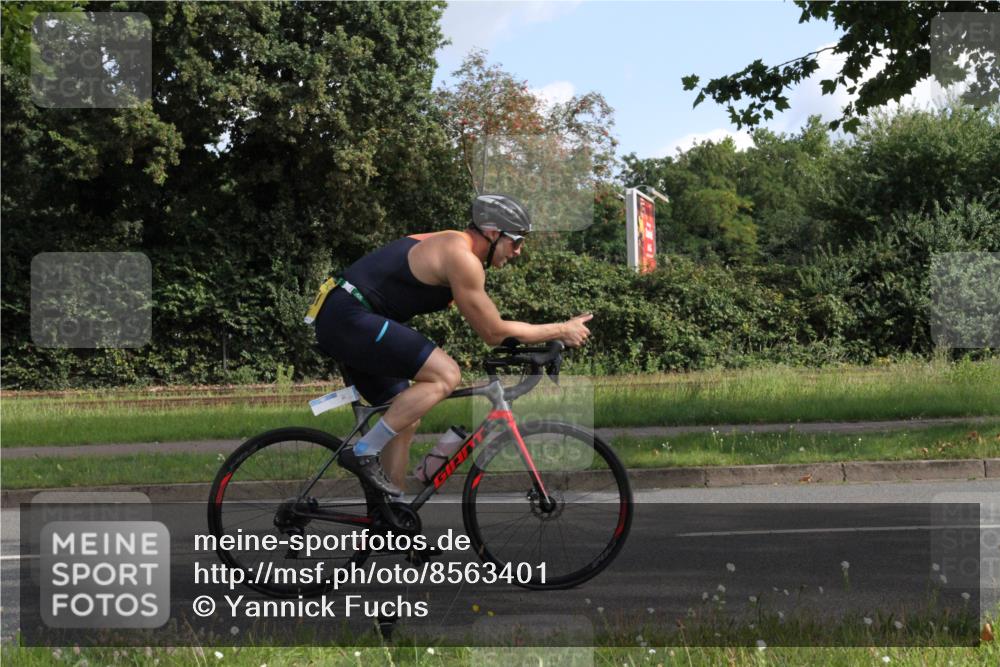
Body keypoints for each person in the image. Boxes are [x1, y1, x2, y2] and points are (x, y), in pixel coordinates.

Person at [308, 194, 593, 497]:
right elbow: (493, 332)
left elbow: (491, 323)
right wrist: (561, 329)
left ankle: (391, 520)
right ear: (493, 232)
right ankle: (363, 451)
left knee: (404, 417)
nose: (519, 251)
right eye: (517, 240)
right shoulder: (462, 258)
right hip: (350, 317)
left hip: (348, 317)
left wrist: (542, 343)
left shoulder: (456, 247)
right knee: (446, 375)